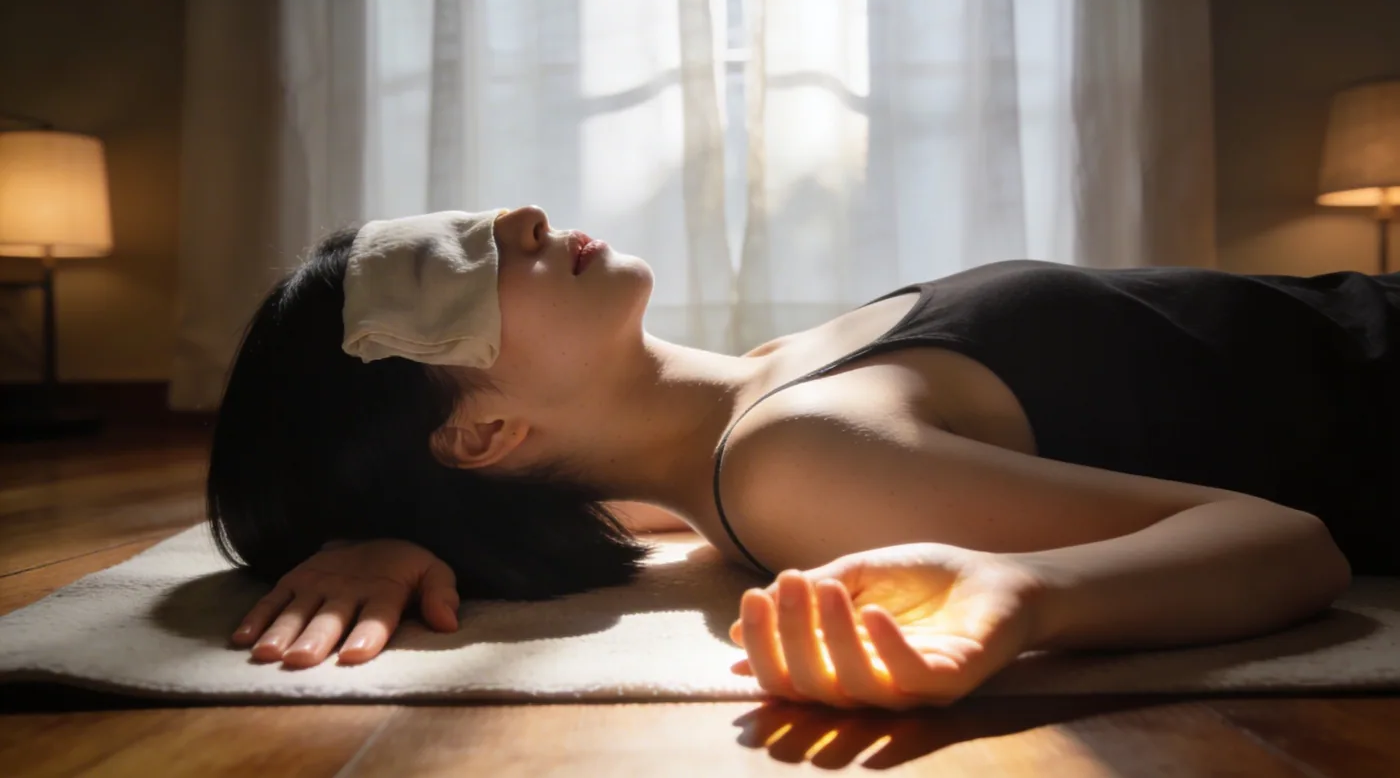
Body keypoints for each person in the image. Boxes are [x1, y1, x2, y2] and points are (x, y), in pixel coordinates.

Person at [211, 205, 1396, 710]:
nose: (518, 218)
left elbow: (602, 515)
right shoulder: (791, 460)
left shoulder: (747, 417)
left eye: (464, 221)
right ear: (477, 435)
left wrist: (392, 526)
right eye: (455, 267)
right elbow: (1287, 545)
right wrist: (1034, 595)